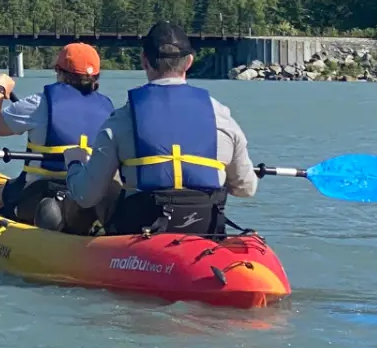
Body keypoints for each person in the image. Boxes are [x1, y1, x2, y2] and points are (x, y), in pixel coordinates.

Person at [64, 21, 257, 237]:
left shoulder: (121, 119)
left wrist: (75, 163)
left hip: (141, 231)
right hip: (205, 228)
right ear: (190, 62)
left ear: (144, 62)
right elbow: (246, 188)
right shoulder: (222, 117)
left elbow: (86, 196)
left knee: (110, 183)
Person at [0, 42, 113, 233]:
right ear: (96, 76)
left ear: (58, 71)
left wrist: (0, 89)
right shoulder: (109, 109)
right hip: (87, 197)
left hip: (39, 194)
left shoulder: (39, 103)